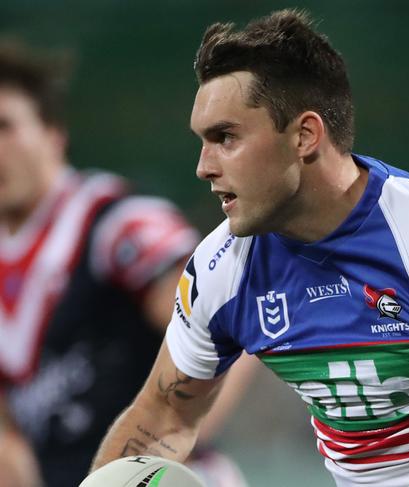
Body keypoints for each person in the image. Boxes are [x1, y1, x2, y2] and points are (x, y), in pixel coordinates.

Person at [91, 9, 409, 487]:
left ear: (305, 136)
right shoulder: (219, 269)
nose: (204, 166)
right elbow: (166, 417)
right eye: (202, 141)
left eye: (225, 137)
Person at [0, 41, 253, 487]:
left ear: (54, 133)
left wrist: (159, 457)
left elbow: (228, 322)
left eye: (5, 127)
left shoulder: (118, 224)